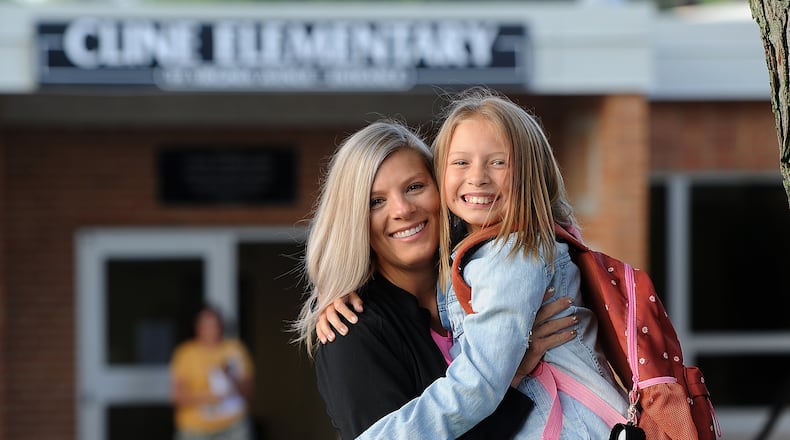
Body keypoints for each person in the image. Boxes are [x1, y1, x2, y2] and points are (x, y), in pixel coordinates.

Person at [344, 88, 630, 439]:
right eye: (461, 162)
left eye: (498, 162)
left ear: (529, 173)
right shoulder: (484, 251)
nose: (477, 177)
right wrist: (345, 290)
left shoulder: (512, 254)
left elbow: (479, 383)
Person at [292, 120, 578, 440]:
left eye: (414, 187)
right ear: (355, 220)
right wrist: (511, 371)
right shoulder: (353, 330)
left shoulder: (493, 274)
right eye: (376, 201)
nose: (402, 209)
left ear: (441, 189)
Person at [170, 306, 255, 440]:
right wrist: (208, 397)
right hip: (195, 430)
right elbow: (178, 396)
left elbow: (249, 390)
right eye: (206, 325)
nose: (211, 329)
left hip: (232, 426)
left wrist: (230, 377)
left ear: (221, 326)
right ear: (198, 328)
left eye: (214, 325)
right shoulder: (185, 353)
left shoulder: (235, 349)